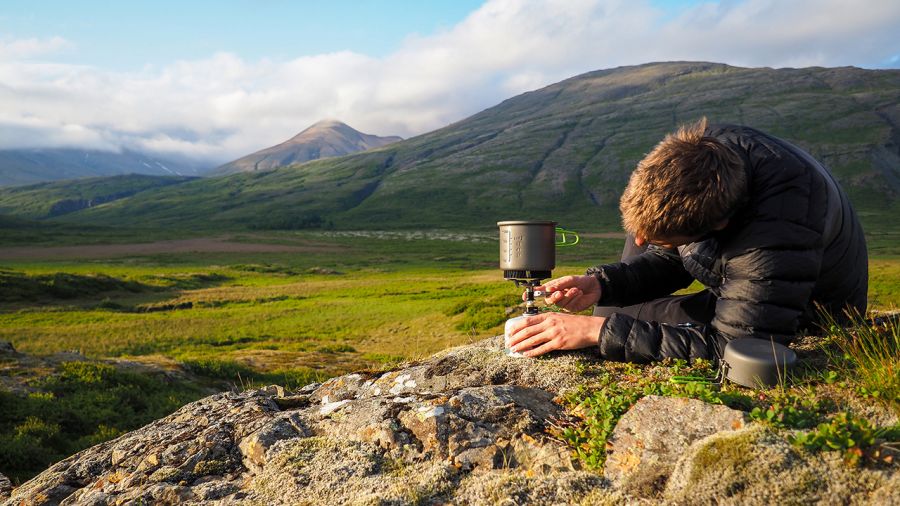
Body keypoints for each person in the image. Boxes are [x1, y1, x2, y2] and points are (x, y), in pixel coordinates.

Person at [505, 118, 868, 362]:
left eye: (661, 238)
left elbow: (736, 345)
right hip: (743, 283)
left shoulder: (777, 230)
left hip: (799, 308)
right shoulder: (705, 158)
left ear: (721, 224)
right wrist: (601, 285)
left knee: (611, 327)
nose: (642, 240)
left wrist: (596, 331)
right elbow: (677, 257)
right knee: (616, 312)